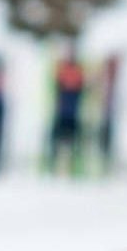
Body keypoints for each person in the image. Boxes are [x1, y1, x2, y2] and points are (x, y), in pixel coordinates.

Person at [47, 46, 88, 177]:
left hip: (71, 112)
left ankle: (71, 165)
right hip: (65, 112)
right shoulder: (67, 70)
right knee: (60, 140)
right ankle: (55, 165)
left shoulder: (74, 71)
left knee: (70, 140)